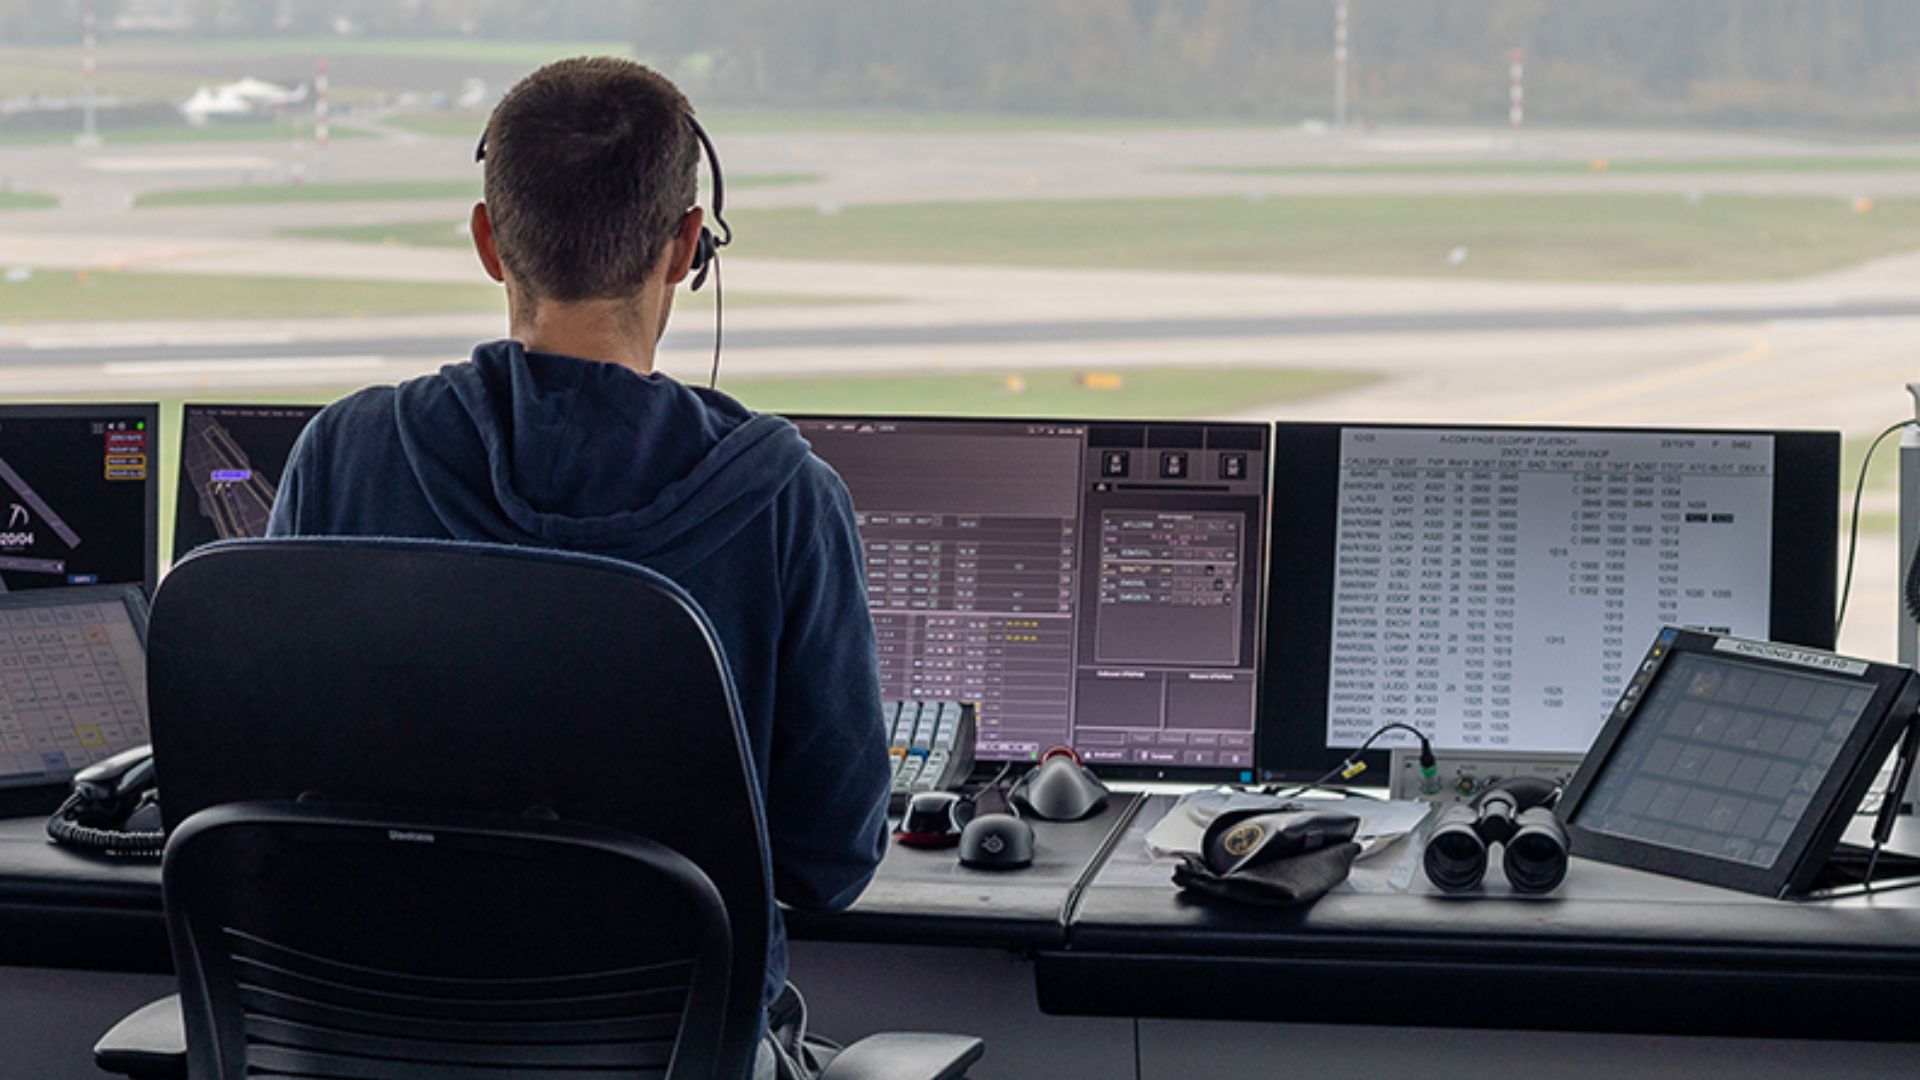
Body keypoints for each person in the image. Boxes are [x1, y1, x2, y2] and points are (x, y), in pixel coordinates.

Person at [266, 57, 890, 1075]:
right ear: (689, 246)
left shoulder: (342, 457)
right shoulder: (785, 501)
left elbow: (271, 800)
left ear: (487, 240)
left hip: (367, 1050)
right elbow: (829, 864)